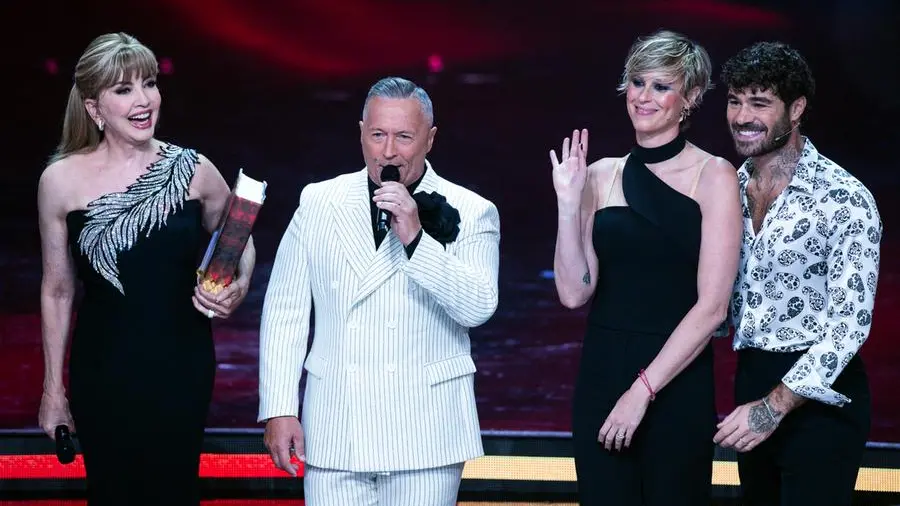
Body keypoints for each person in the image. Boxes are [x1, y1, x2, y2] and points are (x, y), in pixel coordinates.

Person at [258, 76, 500, 506]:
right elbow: (285, 311)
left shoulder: (472, 210)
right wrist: (279, 407)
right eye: (377, 135)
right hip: (336, 426)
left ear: (430, 139)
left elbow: (478, 306)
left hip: (426, 432)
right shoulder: (319, 202)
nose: (388, 151)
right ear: (361, 134)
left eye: (404, 137)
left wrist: (416, 239)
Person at [37, 32, 256, 505]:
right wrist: (53, 390)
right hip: (103, 371)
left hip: (182, 367)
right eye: (124, 89)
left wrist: (239, 283)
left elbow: (238, 233)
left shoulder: (193, 169)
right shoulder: (60, 181)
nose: (144, 100)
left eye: (149, 84)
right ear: (94, 108)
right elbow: (57, 290)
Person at [551, 30, 742, 505]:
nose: (644, 96)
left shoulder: (713, 175)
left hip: (674, 382)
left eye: (661, 86)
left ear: (689, 98)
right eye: (638, 82)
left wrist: (642, 391)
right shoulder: (601, 174)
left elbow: (713, 308)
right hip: (603, 374)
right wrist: (568, 206)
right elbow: (574, 293)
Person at [713, 41, 882, 505]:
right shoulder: (727, 188)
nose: (742, 116)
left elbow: (849, 326)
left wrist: (771, 408)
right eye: (735, 101)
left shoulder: (844, 197)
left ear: (797, 108)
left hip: (820, 399)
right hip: (751, 379)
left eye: (759, 103)